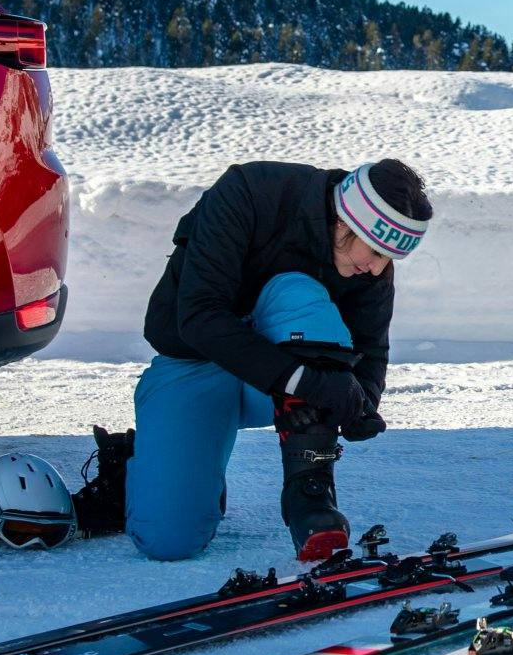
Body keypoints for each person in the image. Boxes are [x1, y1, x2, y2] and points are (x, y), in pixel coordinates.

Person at [72, 159, 432, 562]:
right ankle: (145, 463)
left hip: (273, 382)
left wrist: (358, 403)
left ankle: (310, 500)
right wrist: (305, 383)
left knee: (301, 301)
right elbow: (199, 317)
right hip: (197, 361)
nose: (377, 268)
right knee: (169, 540)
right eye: (376, 252)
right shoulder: (250, 192)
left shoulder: (367, 262)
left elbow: (370, 347)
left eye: (390, 259)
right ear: (349, 221)